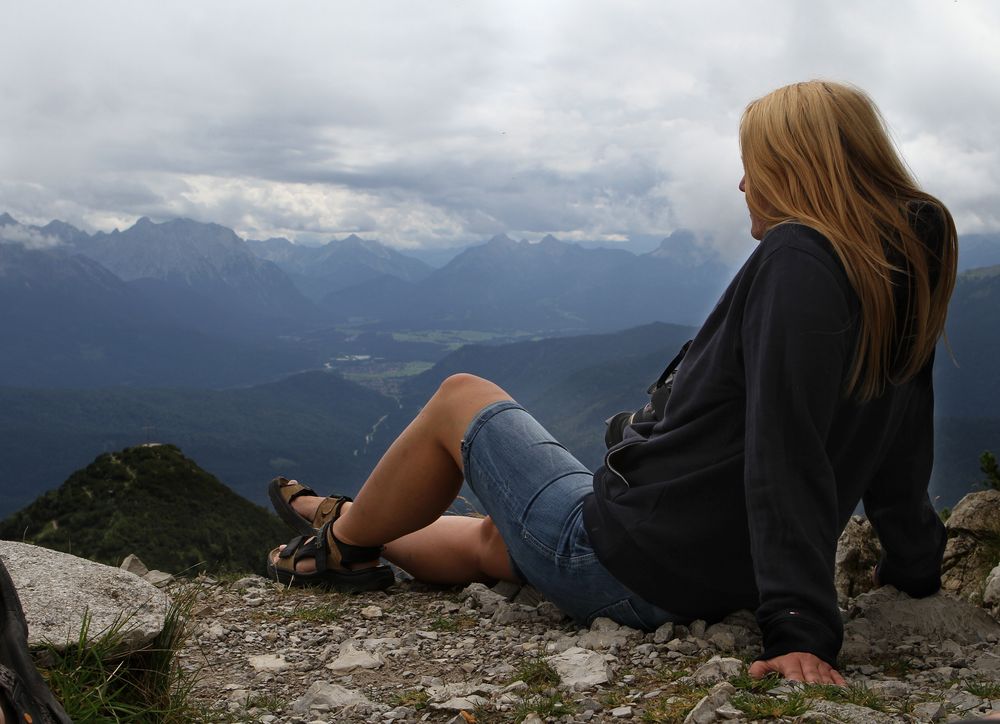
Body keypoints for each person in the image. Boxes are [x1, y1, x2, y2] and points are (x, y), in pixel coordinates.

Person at [266, 80, 958, 685]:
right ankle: (347, 522)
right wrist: (914, 564)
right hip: (722, 571)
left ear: (794, 169)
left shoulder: (797, 255)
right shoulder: (899, 266)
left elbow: (785, 445)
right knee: (493, 542)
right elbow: (903, 432)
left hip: (639, 559)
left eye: (754, 166)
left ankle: (340, 541)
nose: (743, 185)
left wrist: (800, 626)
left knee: (460, 396)